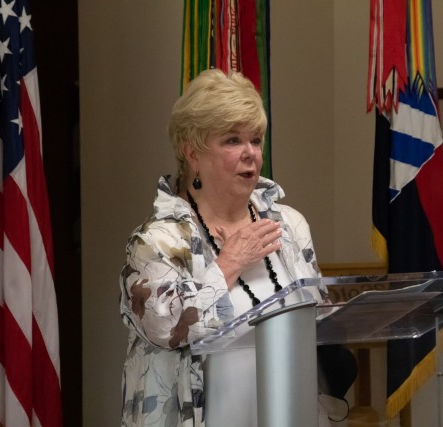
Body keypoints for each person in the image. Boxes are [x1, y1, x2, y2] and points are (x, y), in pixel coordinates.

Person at [119, 69, 351, 426]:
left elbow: (315, 318)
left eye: (256, 140)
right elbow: (165, 329)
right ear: (192, 152)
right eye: (232, 140)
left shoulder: (288, 225)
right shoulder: (156, 241)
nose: (250, 154)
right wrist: (230, 262)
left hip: (292, 412)